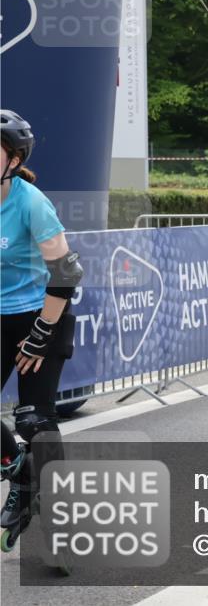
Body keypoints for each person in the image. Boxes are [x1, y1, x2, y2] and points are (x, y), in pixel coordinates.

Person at [1, 110, 83, 552]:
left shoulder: (31, 202)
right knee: (20, 444)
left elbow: (66, 274)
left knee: (35, 418)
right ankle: (18, 468)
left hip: (40, 313)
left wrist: (40, 334)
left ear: (13, 159)